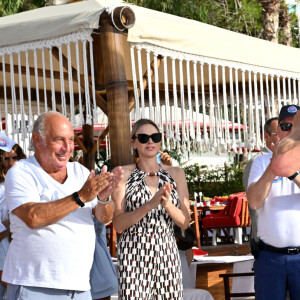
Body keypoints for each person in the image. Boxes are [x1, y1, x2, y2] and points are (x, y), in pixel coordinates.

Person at [2, 111, 123, 300]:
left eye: (71, 140)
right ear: (37, 139)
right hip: (34, 285)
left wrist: (103, 199)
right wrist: (81, 196)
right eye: (59, 140)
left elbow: (104, 218)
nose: (67, 148)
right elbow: (33, 217)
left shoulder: (80, 172)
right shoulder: (21, 172)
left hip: (80, 287)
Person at [112, 118, 190, 299]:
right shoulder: (122, 174)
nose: (150, 142)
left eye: (155, 137)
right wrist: (149, 205)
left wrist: (167, 205)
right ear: (133, 143)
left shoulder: (176, 174)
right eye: (144, 137)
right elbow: (118, 224)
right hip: (133, 253)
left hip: (167, 251)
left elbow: (185, 222)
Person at [247, 104, 300, 300]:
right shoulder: (261, 163)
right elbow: (253, 202)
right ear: (278, 132)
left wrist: (292, 172)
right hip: (270, 258)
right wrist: (275, 164)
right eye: (286, 126)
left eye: (296, 126)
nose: (291, 131)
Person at [243, 117, 279, 255]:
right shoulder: (256, 161)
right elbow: (253, 201)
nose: (283, 136)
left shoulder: (292, 159)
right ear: (266, 136)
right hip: (266, 241)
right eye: (277, 133)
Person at [0, 137, 26, 300]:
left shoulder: (25, 182)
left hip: (20, 240)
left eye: (15, 157)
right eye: (6, 158)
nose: (11, 162)